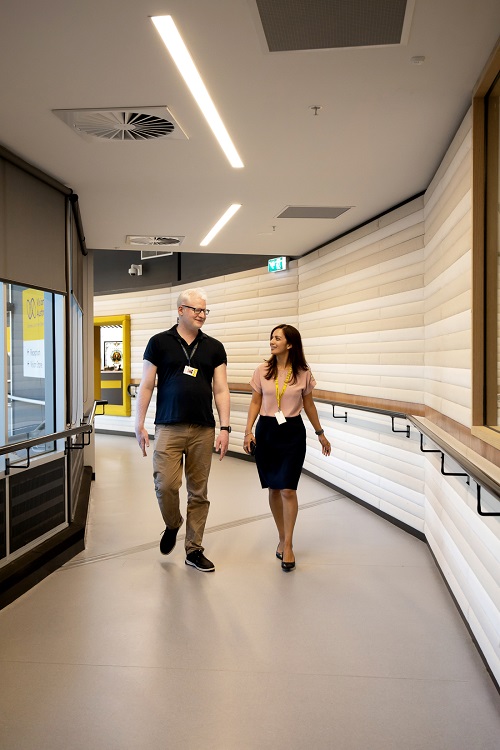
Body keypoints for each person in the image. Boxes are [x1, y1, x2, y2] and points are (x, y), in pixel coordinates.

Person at [135, 288, 231, 572]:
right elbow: (146, 384)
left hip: (203, 429)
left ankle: (194, 549)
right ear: (180, 310)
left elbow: (222, 389)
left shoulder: (214, 347)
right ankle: (173, 523)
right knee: (165, 485)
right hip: (168, 426)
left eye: (204, 310)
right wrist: (138, 422)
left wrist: (225, 428)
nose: (201, 315)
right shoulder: (159, 343)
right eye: (196, 310)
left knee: (198, 492)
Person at [243, 324, 331, 571]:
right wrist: (248, 431)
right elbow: (255, 401)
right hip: (267, 431)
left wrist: (320, 434)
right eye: (271, 337)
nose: (272, 341)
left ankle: (289, 545)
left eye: (277, 338)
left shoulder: (303, 372)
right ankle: (281, 537)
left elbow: (309, 405)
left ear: (290, 344)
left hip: (292, 432)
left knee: (288, 490)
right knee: (273, 488)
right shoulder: (262, 370)